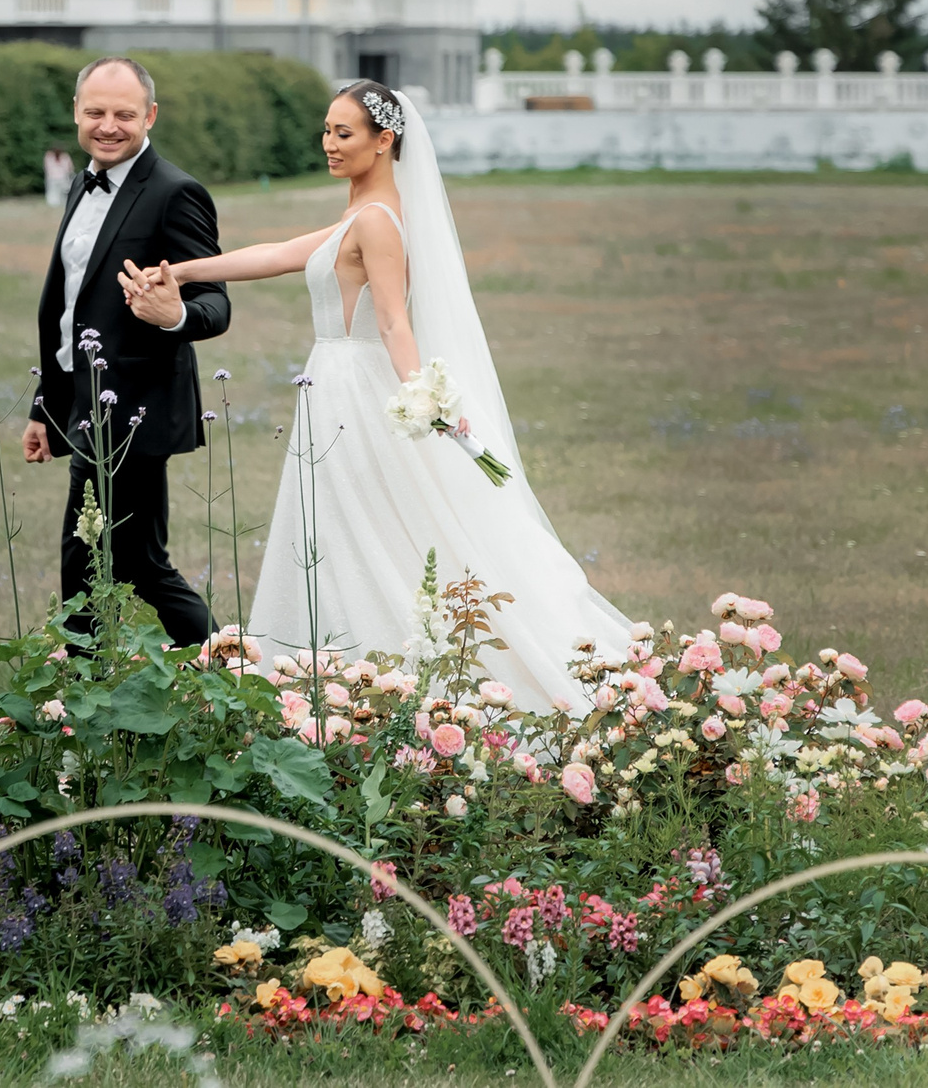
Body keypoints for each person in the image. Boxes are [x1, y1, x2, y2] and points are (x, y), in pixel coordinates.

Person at [121, 80, 633, 709]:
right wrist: (178, 270)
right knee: (343, 529)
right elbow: (278, 254)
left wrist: (425, 401)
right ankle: (342, 675)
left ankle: (370, 676)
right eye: (326, 130)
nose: (329, 144)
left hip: (356, 391)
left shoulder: (376, 220)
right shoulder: (360, 214)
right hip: (333, 383)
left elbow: (393, 321)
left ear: (384, 140)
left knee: (364, 529)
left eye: (344, 133)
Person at [23, 58, 229, 647]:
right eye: (95, 112)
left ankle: (228, 676)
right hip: (83, 405)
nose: (108, 126)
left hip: (136, 411)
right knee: (101, 561)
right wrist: (45, 407)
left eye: (124, 114)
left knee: (125, 563)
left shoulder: (175, 194)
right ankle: (105, 685)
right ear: (76, 112)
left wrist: (175, 315)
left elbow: (216, 303)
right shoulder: (80, 183)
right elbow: (73, 309)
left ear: (151, 116)